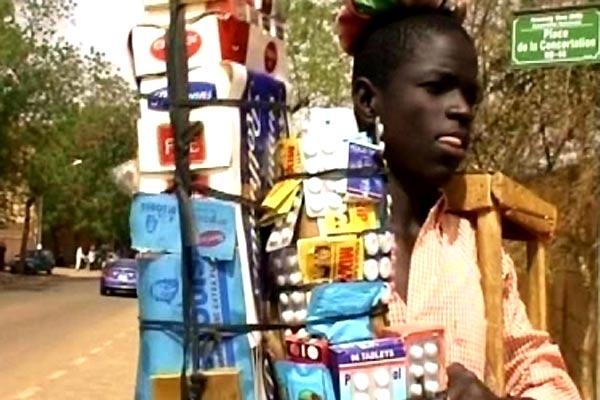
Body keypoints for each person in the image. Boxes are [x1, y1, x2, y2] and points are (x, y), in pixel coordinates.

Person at [337, 2, 581, 399]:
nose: (462, 110)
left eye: (471, 97)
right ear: (368, 102)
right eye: (437, 87)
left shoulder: (479, 251)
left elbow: (546, 380)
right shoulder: (307, 232)